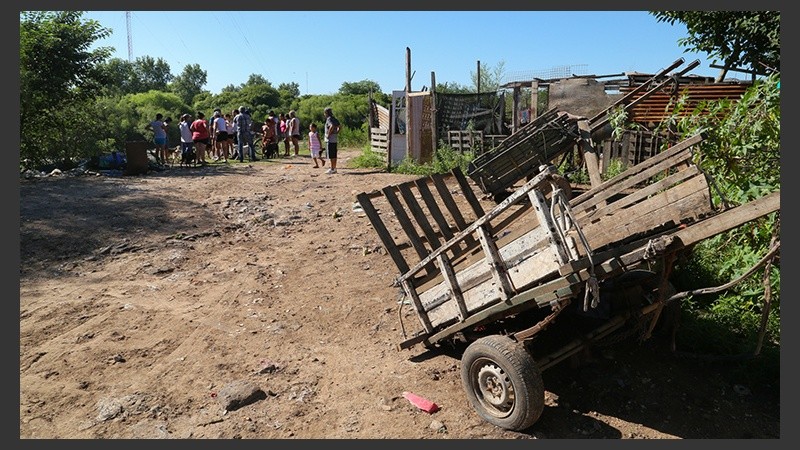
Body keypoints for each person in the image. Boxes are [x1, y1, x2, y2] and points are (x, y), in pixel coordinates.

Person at [323, 107, 341, 174]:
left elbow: (332, 126)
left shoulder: (329, 119)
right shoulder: (334, 119)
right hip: (334, 139)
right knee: (334, 155)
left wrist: (328, 134)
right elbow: (340, 126)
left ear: (326, 113)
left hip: (330, 140)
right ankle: (334, 168)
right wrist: (337, 132)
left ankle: (332, 168)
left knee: (331, 155)